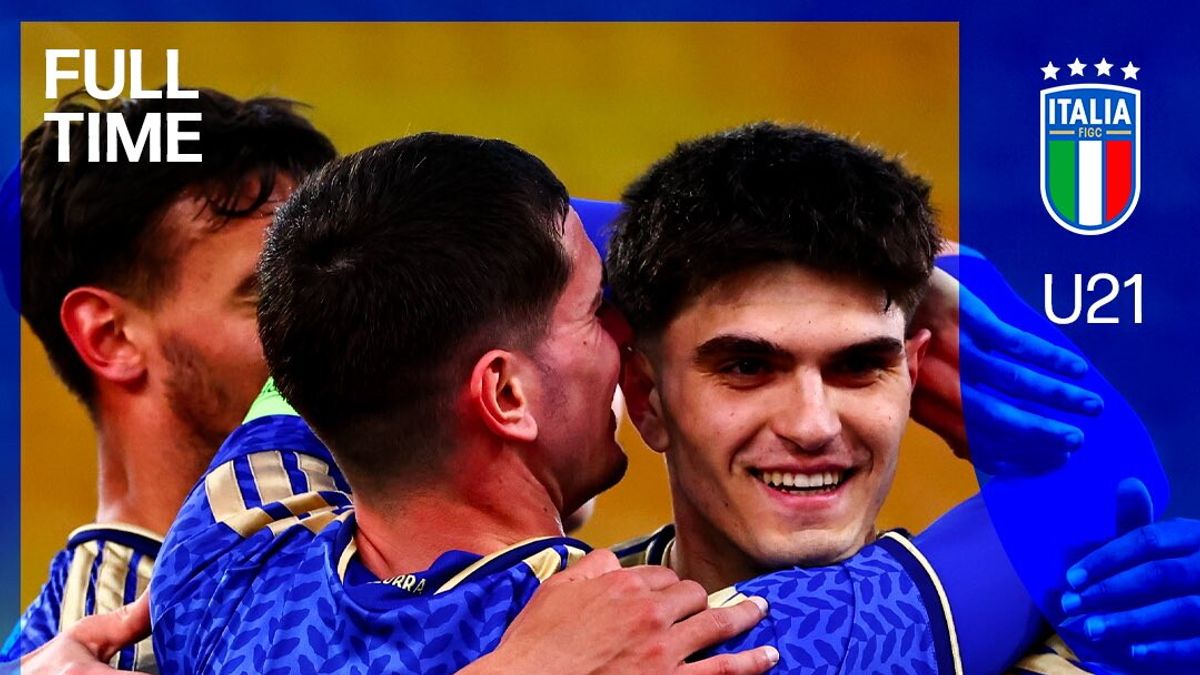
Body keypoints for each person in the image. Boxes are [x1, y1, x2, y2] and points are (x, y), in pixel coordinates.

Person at [150, 133, 779, 674]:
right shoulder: (672, 645)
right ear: (506, 395)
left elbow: (332, 313)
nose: (624, 333)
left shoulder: (223, 558)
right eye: (596, 310)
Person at [603, 121, 1200, 673]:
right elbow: (1107, 464)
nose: (813, 425)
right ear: (647, 396)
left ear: (912, 376)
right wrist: (959, 269)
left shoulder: (1111, 638)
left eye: (860, 364)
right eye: (748, 367)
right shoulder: (552, 616)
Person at [3, 88, 336, 669]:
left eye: (326, 279)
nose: (334, 321)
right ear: (111, 337)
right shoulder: (122, 651)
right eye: (267, 294)